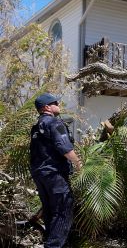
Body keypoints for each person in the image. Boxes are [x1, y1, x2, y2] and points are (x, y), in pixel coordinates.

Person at [30, 93, 82, 248]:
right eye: (55, 102)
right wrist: (79, 165)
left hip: (40, 174)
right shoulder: (54, 123)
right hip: (54, 174)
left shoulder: (36, 127)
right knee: (63, 210)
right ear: (46, 107)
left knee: (50, 210)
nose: (58, 104)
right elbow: (64, 147)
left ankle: (50, 242)